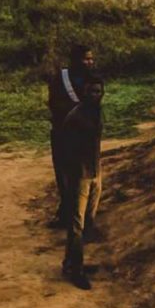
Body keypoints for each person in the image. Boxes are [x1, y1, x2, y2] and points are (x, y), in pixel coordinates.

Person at [54, 75, 105, 289]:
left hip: (95, 173)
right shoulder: (75, 118)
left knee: (87, 221)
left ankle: (70, 262)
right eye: (91, 91)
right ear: (84, 93)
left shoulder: (97, 112)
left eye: (98, 91)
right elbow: (63, 151)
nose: (95, 95)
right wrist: (68, 180)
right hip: (79, 176)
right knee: (77, 225)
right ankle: (77, 270)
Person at [47, 45, 96, 223]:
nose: (90, 62)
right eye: (86, 59)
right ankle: (66, 210)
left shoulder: (93, 79)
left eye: (91, 59)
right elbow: (53, 102)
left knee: (83, 176)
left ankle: (81, 213)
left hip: (84, 134)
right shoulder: (60, 78)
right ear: (75, 60)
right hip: (62, 132)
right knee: (63, 174)